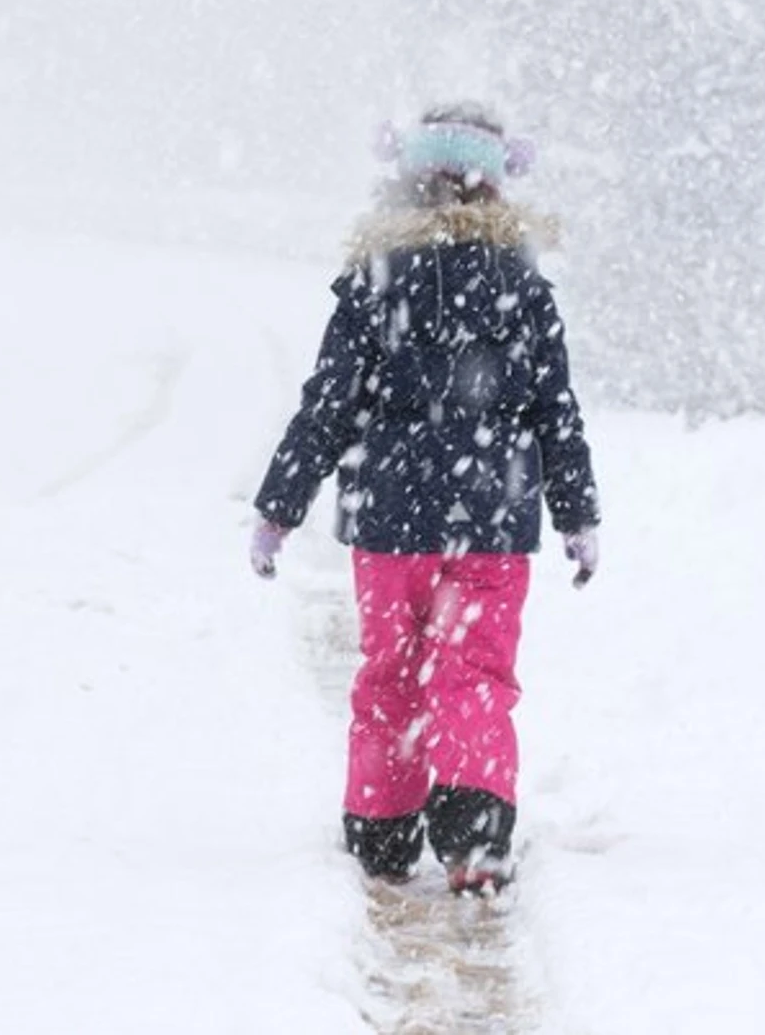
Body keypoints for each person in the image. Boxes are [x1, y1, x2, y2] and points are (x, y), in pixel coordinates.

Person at [248, 102, 600, 895]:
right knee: (474, 673)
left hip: (390, 518)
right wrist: (578, 515)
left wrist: (280, 506)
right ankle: (475, 837)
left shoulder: (377, 282)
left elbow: (329, 405)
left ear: (403, 179)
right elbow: (557, 411)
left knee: (392, 673)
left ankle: (381, 832)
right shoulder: (524, 288)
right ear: (497, 187)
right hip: (491, 518)